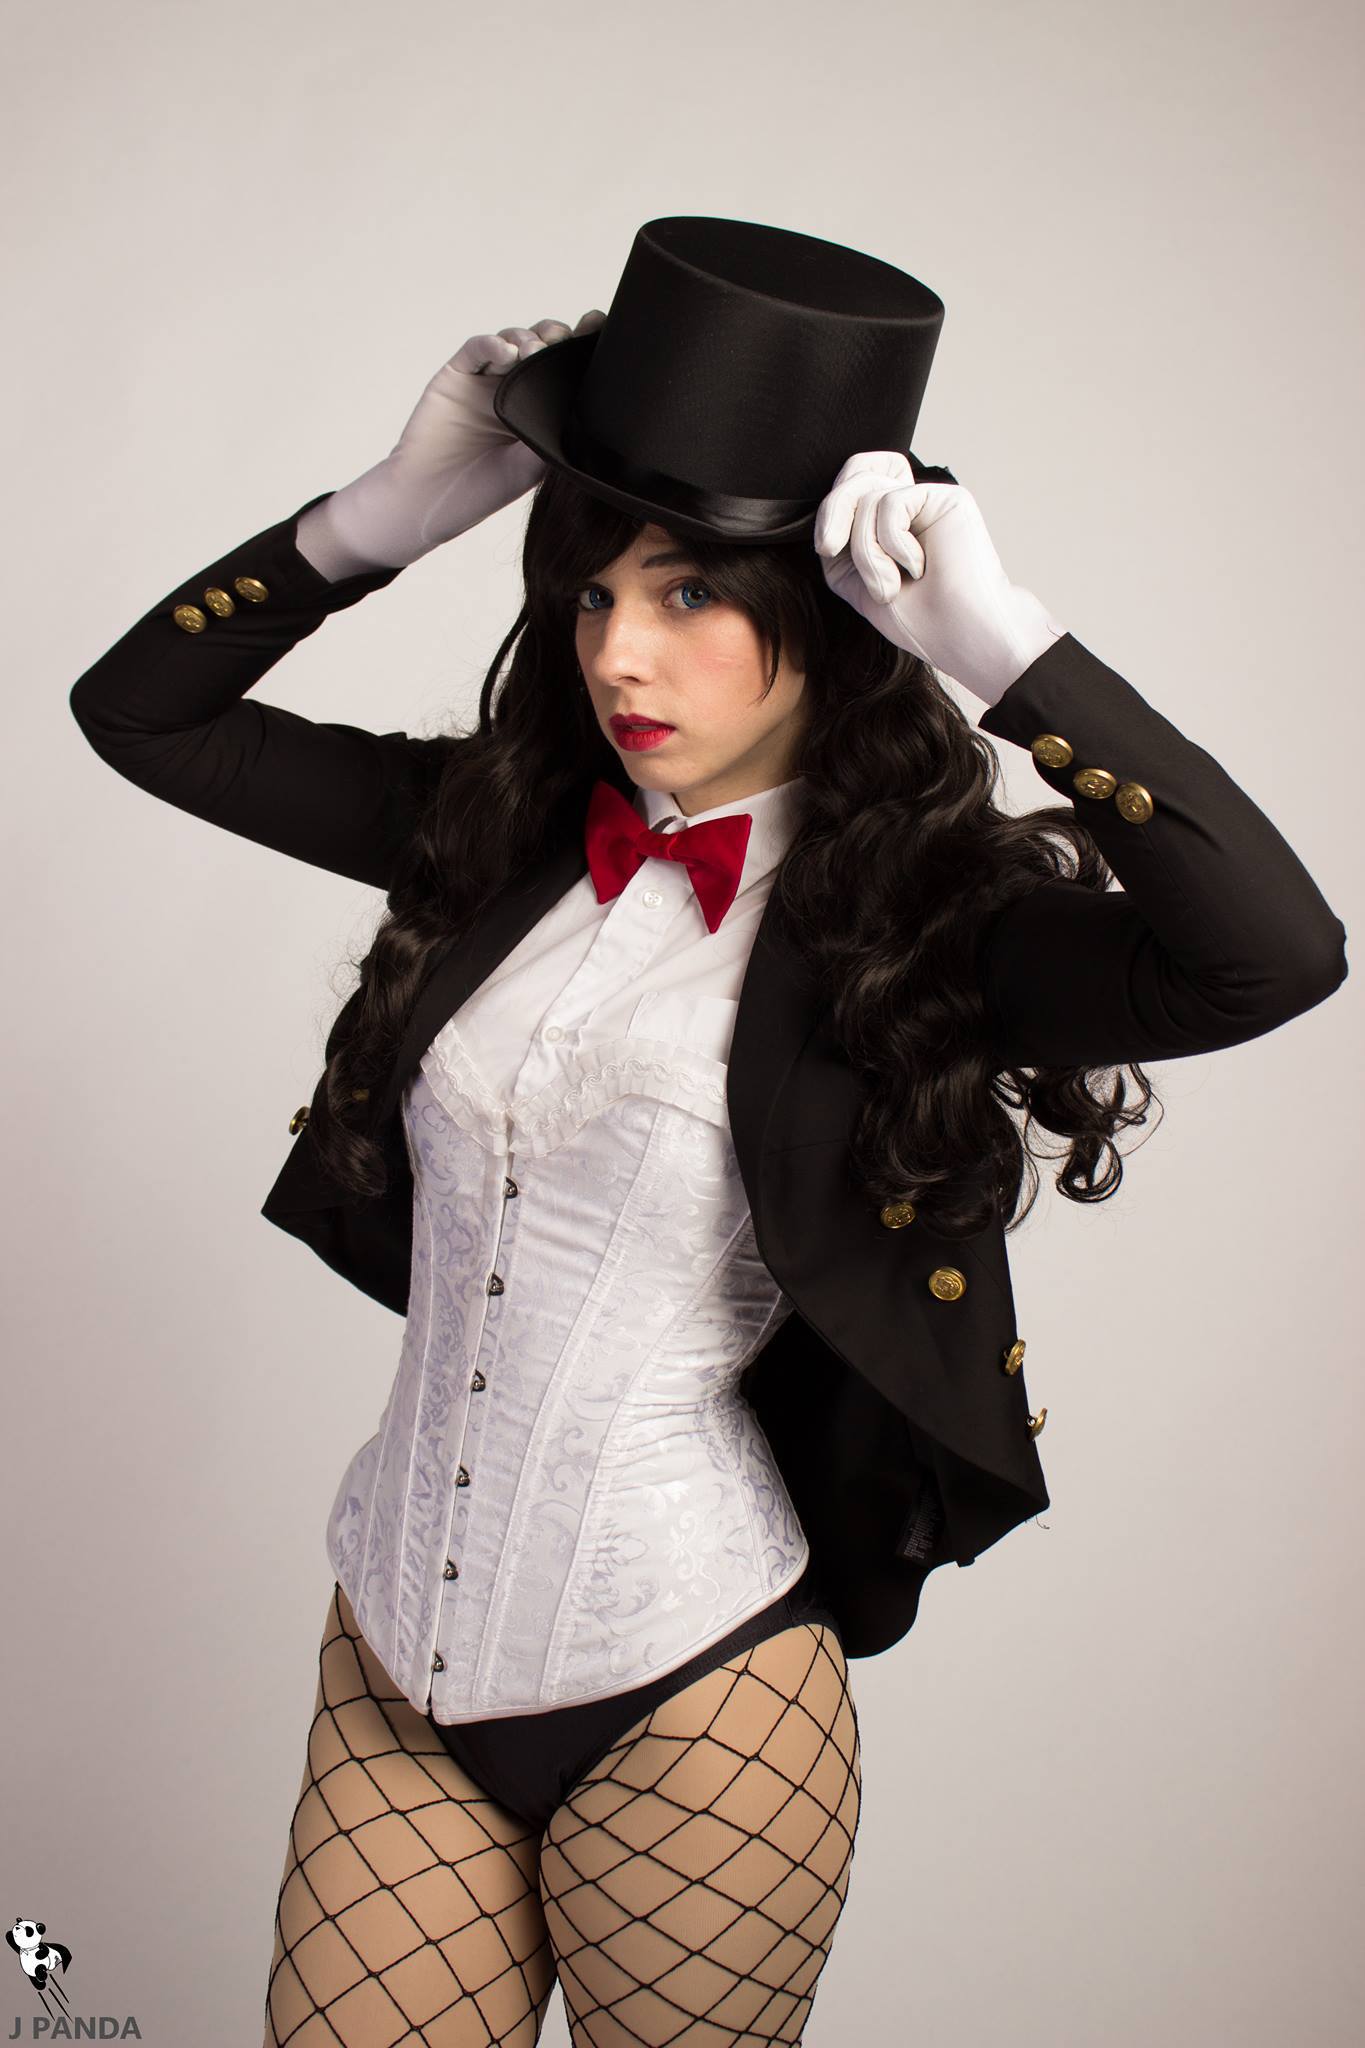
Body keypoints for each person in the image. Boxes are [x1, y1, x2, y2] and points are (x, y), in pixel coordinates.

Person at [68, 219, 1348, 2048]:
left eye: (683, 597)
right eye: (593, 595)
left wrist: (1006, 649)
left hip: (691, 1692)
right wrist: (380, 514)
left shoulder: (924, 925)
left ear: (826, 620)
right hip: (388, 1650)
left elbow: (1275, 955)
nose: (618, 650)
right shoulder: (496, 832)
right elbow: (139, 715)